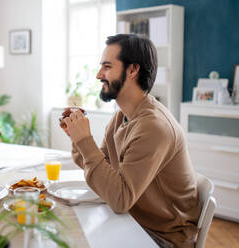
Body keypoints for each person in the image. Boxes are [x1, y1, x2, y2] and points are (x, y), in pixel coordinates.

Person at [61, 34, 201, 248]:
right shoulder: (122, 117)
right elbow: (102, 172)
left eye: (107, 66)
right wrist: (77, 138)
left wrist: (85, 140)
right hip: (134, 220)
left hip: (163, 237)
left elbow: (120, 200)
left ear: (133, 70)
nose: (99, 75)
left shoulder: (153, 127)